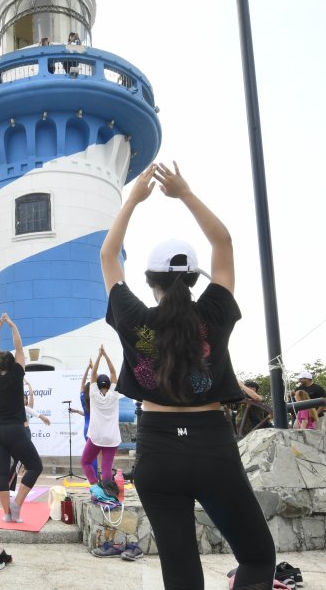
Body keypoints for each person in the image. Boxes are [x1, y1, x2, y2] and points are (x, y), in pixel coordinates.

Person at [101, 163, 275, 589]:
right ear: (196, 279)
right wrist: (185, 192)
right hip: (212, 445)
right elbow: (224, 241)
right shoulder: (214, 311)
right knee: (256, 556)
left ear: (150, 280)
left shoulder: (134, 318)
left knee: (180, 573)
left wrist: (133, 200)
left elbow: (108, 255)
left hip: (158, 448)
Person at [0, 312, 43, 523]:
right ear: (12, 364)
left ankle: (7, 514)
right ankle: (17, 504)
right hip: (14, 430)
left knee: (0, 472)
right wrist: (11, 325)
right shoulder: (18, 373)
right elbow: (19, 348)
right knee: (35, 466)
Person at [81, 346, 121, 485]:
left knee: (85, 462)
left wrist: (99, 356)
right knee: (106, 467)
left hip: (96, 436)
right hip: (112, 437)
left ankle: (95, 487)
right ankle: (108, 493)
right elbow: (113, 372)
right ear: (110, 385)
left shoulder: (93, 394)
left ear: (97, 385)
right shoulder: (114, 394)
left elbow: (93, 374)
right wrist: (106, 355)